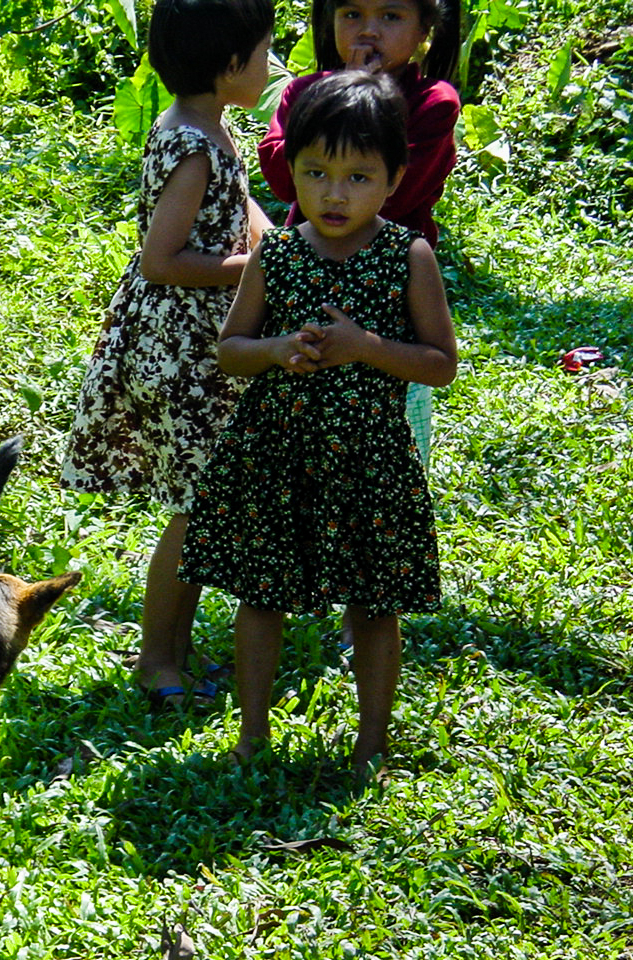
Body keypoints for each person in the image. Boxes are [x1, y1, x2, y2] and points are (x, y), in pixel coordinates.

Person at [178, 71, 458, 778]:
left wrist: (367, 347)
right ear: (291, 170)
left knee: (373, 604)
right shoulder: (275, 255)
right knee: (261, 597)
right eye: (316, 173)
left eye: (358, 177)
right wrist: (275, 350)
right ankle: (252, 733)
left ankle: (372, 741)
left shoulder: (408, 257)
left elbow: (440, 364)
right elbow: (231, 352)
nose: (335, 194)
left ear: (395, 179)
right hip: (279, 454)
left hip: (370, 460)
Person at [60, 0, 276, 709]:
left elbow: (245, 212)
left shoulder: (210, 127)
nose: (271, 63)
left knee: (202, 504)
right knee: (195, 509)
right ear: (228, 65)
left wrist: (281, 247)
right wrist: (250, 270)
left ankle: (176, 651)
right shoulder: (193, 147)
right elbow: (162, 258)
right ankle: (157, 660)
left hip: (198, 350)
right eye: (264, 50)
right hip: (181, 355)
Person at [258, 0, 461, 463]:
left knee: (387, 429)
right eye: (352, 15)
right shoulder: (302, 93)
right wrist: (336, 96)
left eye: (390, 17)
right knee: (299, 414)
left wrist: (365, 95)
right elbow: (279, 174)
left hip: (391, 292)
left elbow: (400, 194)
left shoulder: (433, 102)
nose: (368, 32)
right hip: (307, 276)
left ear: (424, 26)